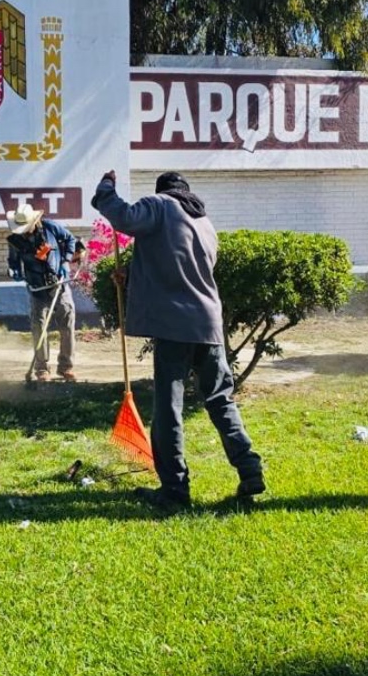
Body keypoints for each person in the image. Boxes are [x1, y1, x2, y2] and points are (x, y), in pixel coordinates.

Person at [92, 170, 265, 507]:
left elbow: (123, 216)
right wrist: (132, 273)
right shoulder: (203, 222)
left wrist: (105, 188)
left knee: (169, 408)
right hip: (209, 324)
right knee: (220, 399)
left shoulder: (160, 205)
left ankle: (174, 489)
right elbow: (182, 267)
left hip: (175, 326)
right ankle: (249, 468)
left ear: (163, 191)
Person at [6, 202, 85, 381]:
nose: (23, 231)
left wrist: (65, 261)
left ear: (34, 221)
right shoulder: (14, 240)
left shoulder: (51, 227)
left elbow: (71, 240)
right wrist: (14, 271)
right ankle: (42, 369)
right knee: (39, 327)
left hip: (59, 284)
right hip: (37, 288)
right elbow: (13, 262)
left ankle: (66, 367)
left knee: (67, 325)